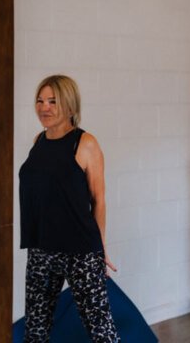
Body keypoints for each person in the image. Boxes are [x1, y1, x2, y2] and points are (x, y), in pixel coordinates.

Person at [19, 75, 120, 342]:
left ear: (70, 105)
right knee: (35, 329)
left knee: (100, 328)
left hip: (80, 252)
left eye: (53, 101)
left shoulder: (85, 143)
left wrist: (101, 247)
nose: (44, 107)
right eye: (40, 101)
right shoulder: (38, 141)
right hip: (41, 249)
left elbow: (99, 199)